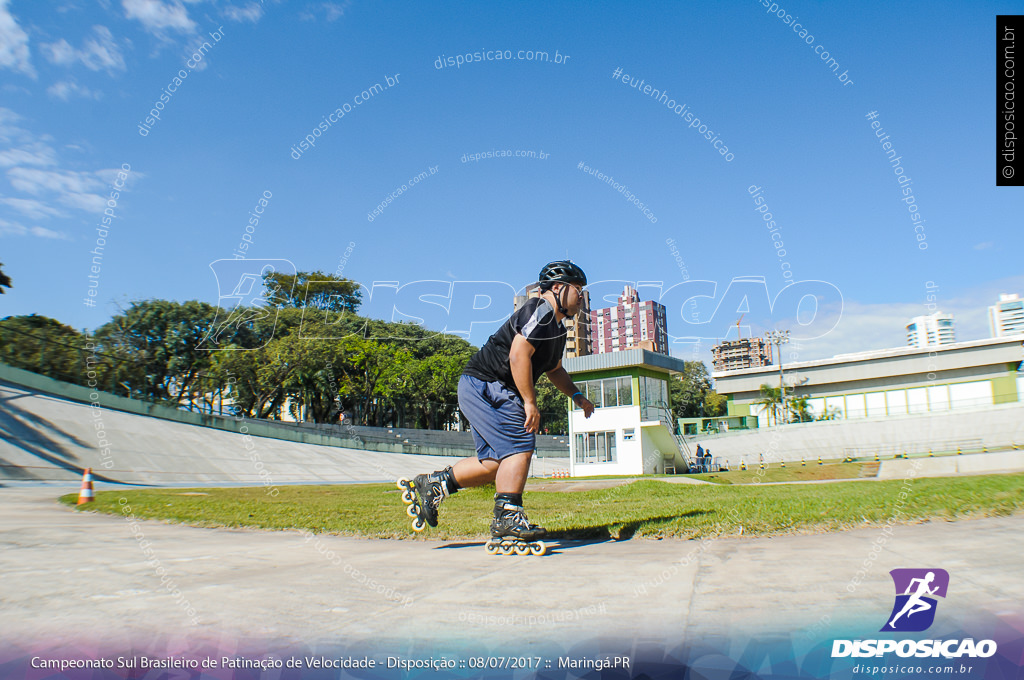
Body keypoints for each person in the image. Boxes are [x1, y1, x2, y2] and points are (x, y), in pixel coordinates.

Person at [403, 260, 595, 541]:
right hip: (486, 385)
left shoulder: (558, 329)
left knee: (496, 463)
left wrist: (577, 396)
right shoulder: (540, 310)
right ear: (557, 288)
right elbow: (518, 355)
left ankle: (435, 484)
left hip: (484, 388)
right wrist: (530, 402)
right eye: (577, 288)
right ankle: (507, 518)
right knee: (519, 444)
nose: (581, 295)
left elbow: (554, 369)